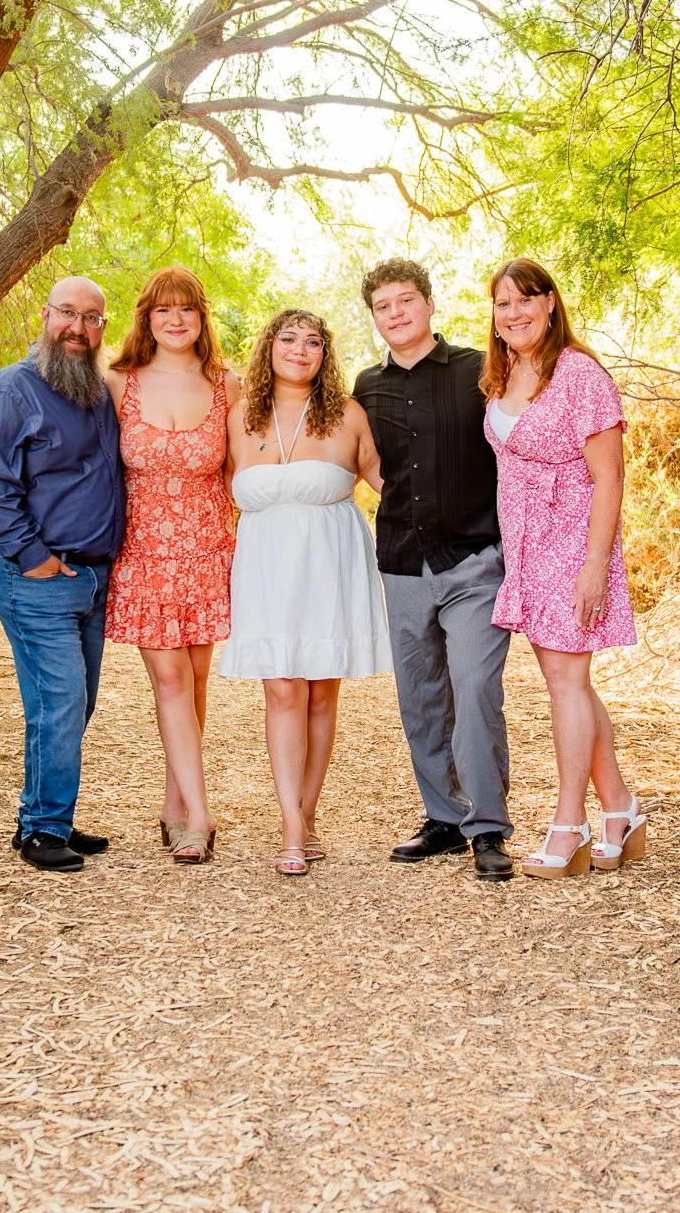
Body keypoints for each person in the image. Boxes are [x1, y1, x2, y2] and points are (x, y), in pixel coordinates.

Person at [481, 257, 647, 879]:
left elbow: (610, 475)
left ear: (550, 303)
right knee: (566, 679)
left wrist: (595, 566)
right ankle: (620, 810)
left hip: (574, 541)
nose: (514, 313)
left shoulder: (579, 374)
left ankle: (569, 822)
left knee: (566, 682)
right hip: (525, 541)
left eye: (526, 300)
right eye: (503, 304)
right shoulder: (501, 375)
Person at [352, 258, 516, 883]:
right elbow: (359, 456)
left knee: (474, 687)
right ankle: (443, 816)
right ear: (374, 318)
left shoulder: (481, 371)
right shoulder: (366, 386)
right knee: (420, 695)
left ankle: (489, 826)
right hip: (401, 561)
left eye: (405, 300)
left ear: (428, 303)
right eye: (383, 306)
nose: (395, 313)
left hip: (475, 558)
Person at [218, 309, 393, 876]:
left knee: (320, 694)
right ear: (268, 347)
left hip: (331, 566)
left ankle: (306, 815)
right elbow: (212, 489)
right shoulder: (239, 416)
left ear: (326, 355)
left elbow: (396, 489)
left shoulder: (347, 416)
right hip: (266, 567)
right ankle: (291, 827)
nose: (300, 349)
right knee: (283, 691)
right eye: (288, 338)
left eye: (313, 341)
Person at [0, 276, 125, 873]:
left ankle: (45, 812)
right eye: (67, 313)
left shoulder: (94, 393)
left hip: (91, 581)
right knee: (58, 702)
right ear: (45, 315)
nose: (78, 329)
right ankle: (41, 830)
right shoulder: (12, 390)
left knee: (72, 704)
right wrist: (35, 559)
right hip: (37, 580)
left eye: (92, 318)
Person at [102, 266, 239, 865]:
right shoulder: (118, 382)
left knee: (196, 682)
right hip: (145, 552)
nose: (176, 319)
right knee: (171, 681)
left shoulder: (228, 383)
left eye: (187, 308)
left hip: (209, 549)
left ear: (202, 317)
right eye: (163, 309)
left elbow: (241, 471)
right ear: (147, 318)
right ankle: (200, 817)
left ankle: (172, 803)